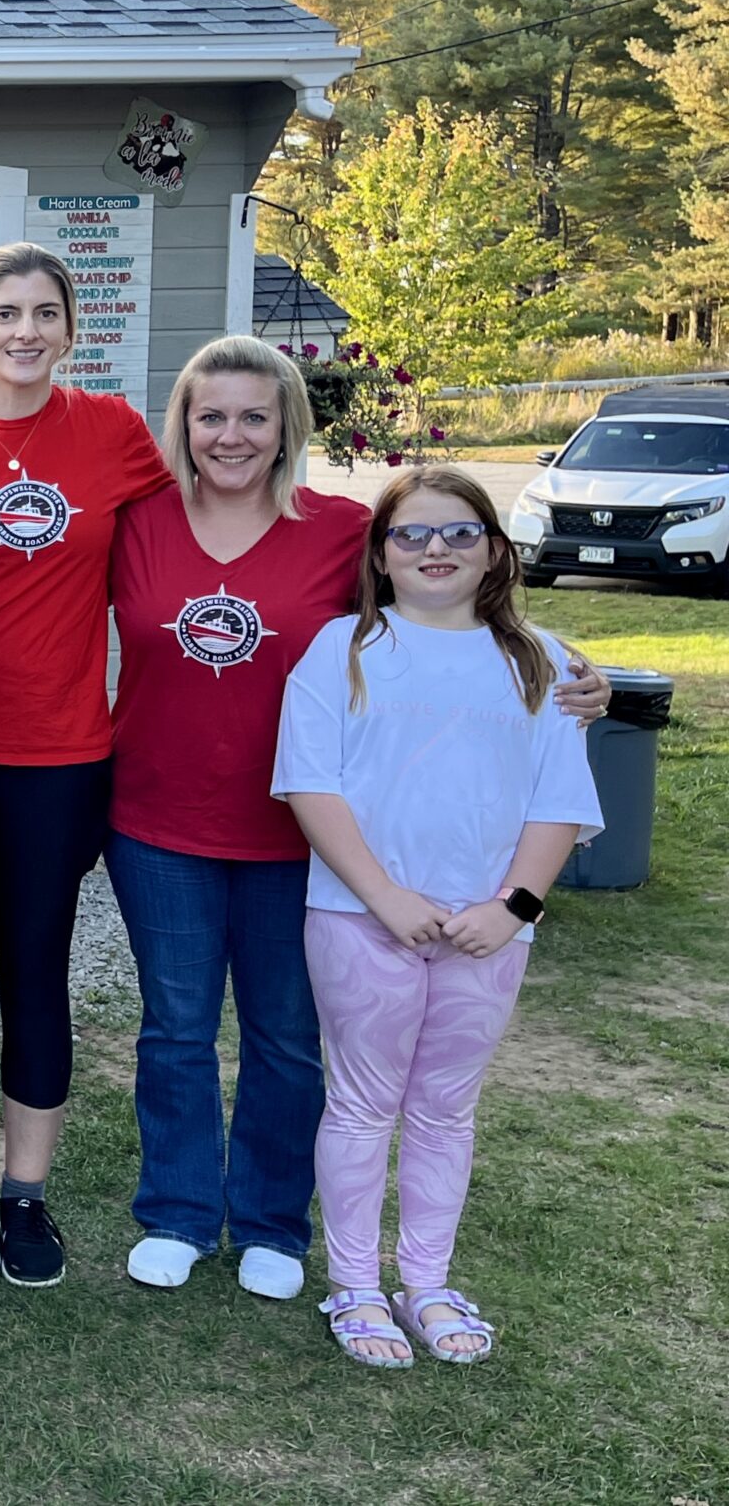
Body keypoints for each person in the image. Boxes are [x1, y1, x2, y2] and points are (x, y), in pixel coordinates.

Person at [107, 339, 614, 1301]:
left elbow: (458, 610)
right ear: (183, 425)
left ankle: (267, 1219)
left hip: (305, 841)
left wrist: (574, 671)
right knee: (173, 1027)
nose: (232, 435)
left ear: (288, 427)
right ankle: (175, 1210)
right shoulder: (136, 523)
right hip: (157, 816)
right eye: (211, 415)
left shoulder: (343, 531)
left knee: (286, 1035)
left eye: (256, 415)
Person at [271, 465, 601, 1368]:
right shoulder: (341, 650)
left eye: (459, 533)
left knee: (447, 1107)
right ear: (381, 552)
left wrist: (514, 907)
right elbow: (311, 784)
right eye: (412, 534)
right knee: (363, 1101)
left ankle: (427, 1279)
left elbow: (557, 803)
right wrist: (385, 896)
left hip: (489, 933)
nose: (435, 550)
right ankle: (355, 1284)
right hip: (359, 918)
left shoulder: (539, 658)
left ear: (495, 549)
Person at [0, 242, 177, 1289]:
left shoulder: (113, 434)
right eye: (3, 312)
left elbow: (193, 547)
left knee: (36, 970)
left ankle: (27, 1189)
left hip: (61, 754)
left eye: (43, 312)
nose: (24, 330)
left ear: (69, 328)